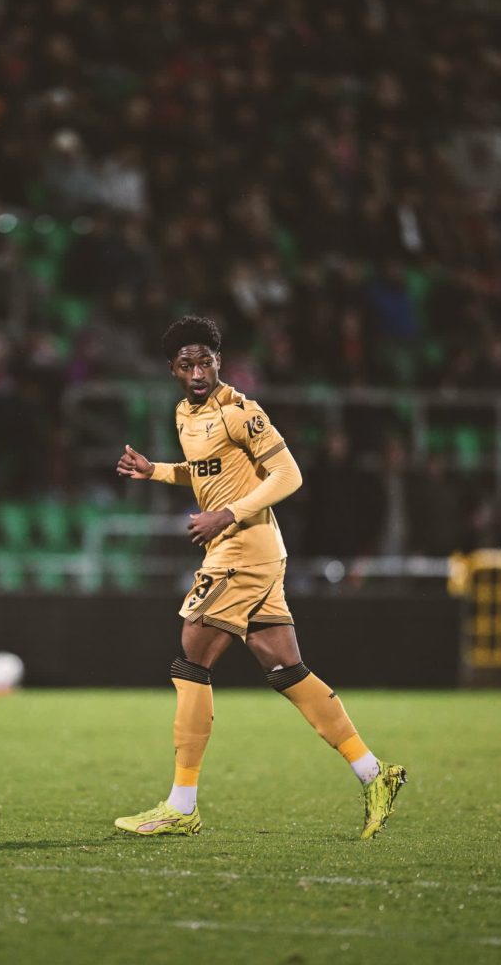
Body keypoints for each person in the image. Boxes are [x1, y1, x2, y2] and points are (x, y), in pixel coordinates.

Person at [114, 316, 406, 840]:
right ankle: (375, 774)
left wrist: (226, 515)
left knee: (191, 659)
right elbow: (203, 471)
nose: (198, 371)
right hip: (256, 552)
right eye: (187, 364)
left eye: (206, 361)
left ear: (219, 361)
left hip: (242, 549)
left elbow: (288, 474)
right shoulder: (186, 413)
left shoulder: (240, 411)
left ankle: (182, 806)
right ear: (173, 371)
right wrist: (155, 470)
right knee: (285, 668)